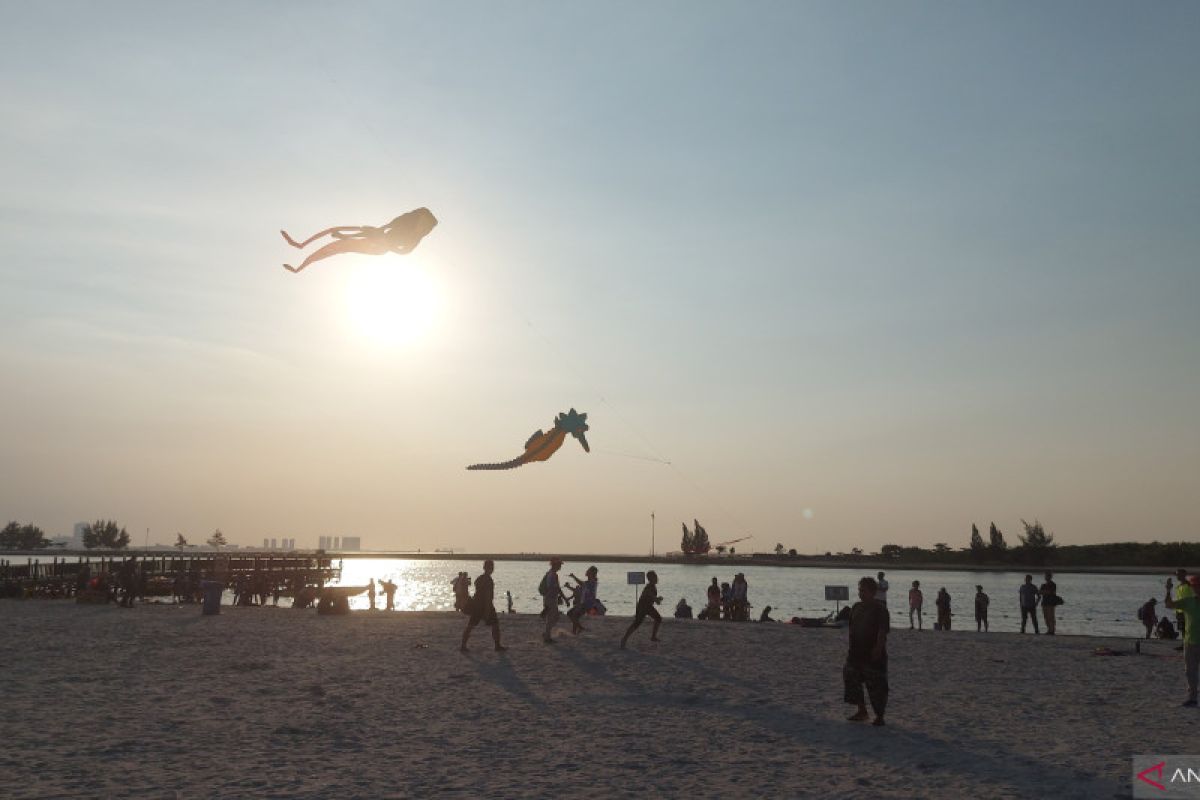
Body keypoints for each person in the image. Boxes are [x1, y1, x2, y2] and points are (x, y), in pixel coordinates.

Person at [844, 576, 890, 726]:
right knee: (851, 676)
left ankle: (879, 716)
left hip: (873, 653)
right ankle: (862, 710)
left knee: (877, 685)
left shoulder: (880, 609)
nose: (860, 593)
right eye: (859, 590)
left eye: (863, 591)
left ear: (872, 592)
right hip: (856, 652)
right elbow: (852, 628)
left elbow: (882, 631)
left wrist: (877, 648)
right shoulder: (856, 607)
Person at [1164, 575, 1200, 706]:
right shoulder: (1188, 601)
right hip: (1190, 642)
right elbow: (1168, 605)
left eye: (1198, 586)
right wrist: (1168, 590)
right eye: (1194, 586)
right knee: (1190, 672)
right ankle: (1193, 699)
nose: (1196, 588)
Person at [460, 560, 505, 652]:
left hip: (476, 604)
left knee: (470, 625)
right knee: (495, 625)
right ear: (491, 568)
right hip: (484, 605)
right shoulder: (488, 580)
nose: (491, 569)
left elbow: (477, 589)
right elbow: (488, 597)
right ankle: (497, 646)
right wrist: (487, 611)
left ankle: (463, 645)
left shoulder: (479, 578)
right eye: (491, 567)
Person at [620, 570, 662, 649]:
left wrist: (657, 599)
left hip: (648, 607)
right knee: (636, 624)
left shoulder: (652, 586)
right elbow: (651, 596)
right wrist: (657, 599)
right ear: (651, 578)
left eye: (656, 577)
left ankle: (653, 637)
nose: (657, 578)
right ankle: (624, 639)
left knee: (658, 619)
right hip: (642, 607)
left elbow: (654, 600)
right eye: (655, 577)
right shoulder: (649, 587)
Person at [568, 566, 600, 634]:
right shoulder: (590, 582)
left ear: (591, 573)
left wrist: (574, 577)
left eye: (588, 571)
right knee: (574, 616)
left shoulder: (592, 582)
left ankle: (580, 628)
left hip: (586, 604)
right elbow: (582, 586)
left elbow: (582, 583)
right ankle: (574, 632)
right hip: (584, 604)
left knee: (571, 614)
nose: (586, 571)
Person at [541, 558, 564, 643]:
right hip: (550, 598)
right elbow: (556, 588)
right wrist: (562, 597)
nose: (560, 566)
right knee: (553, 617)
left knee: (553, 617)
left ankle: (546, 634)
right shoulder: (553, 575)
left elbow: (554, 588)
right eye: (559, 565)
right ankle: (547, 636)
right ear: (555, 565)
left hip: (549, 598)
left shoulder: (549, 573)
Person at [1175, 569, 1193, 638]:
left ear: (1184, 575)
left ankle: (1187, 644)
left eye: (1179, 574)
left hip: (1188, 611)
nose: (1177, 576)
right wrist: (1176, 611)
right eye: (1177, 575)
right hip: (1180, 611)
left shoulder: (1189, 585)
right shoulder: (1178, 587)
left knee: (1188, 628)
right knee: (1182, 628)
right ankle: (1184, 644)